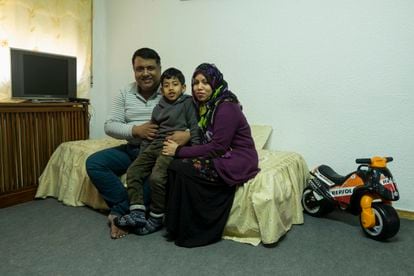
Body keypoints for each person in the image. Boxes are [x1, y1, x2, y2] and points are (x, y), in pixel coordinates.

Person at [85, 48, 190, 239]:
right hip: (133, 148)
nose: (145, 73)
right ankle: (128, 211)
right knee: (94, 163)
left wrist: (188, 135)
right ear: (134, 70)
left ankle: (120, 213)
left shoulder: (171, 89)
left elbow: (197, 119)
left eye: (150, 68)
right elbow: (109, 126)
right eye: (139, 68)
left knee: (155, 180)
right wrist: (136, 130)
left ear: (159, 68)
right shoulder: (125, 92)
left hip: (158, 152)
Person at [162, 63, 260, 248]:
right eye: (195, 83)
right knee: (175, 165)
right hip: (222, 154)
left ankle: (197, 232)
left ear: (215, 84)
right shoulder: (205, 107)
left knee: (183, 166)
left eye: (205, 82)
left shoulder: (226, 107)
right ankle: (176, 227)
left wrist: (179, 151)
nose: (199, 87)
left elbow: (218, 147)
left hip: (238, 158)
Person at [114, 67, 201, 235]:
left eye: (175, 84)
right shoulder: (158, 107)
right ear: (161, 90)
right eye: (166, 85)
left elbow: (195, 127)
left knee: (157, 177)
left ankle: (156, 216)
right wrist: (143, 154)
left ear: (183, 88)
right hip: (154, 145)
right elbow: (151, 132)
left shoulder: (188, 103)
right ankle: (137, 212)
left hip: (170, 145)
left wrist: (194, 149)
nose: (171, 88)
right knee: (133, 171)